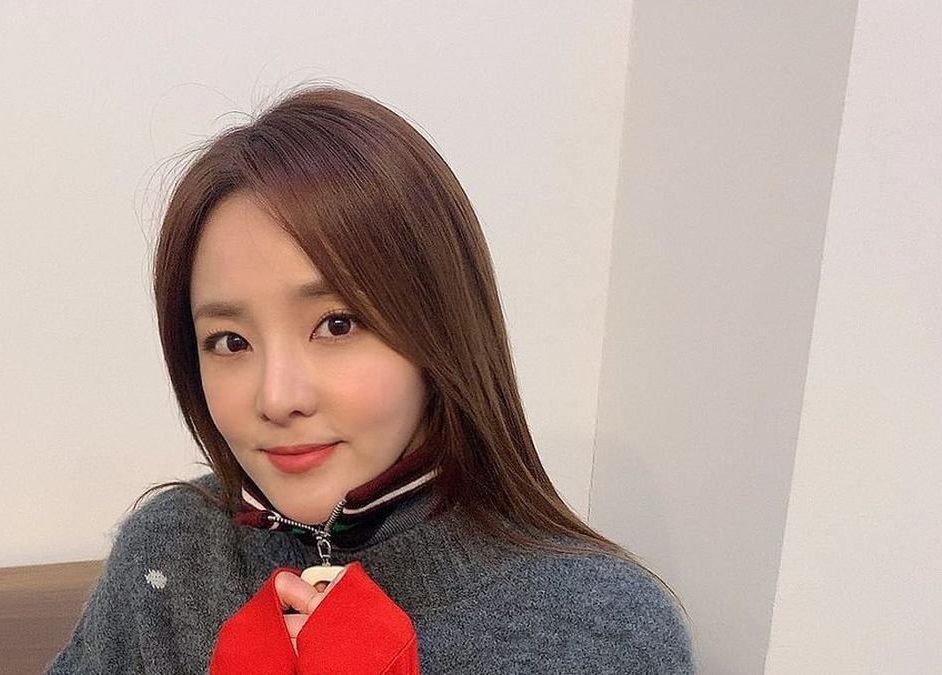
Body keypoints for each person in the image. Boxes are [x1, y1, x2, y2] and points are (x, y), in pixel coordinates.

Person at [45, 84, 696, 674]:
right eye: (230, 341)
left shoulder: (601, 629)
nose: (278, 398)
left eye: (337, 325)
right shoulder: (172, 556)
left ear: (439, 328)